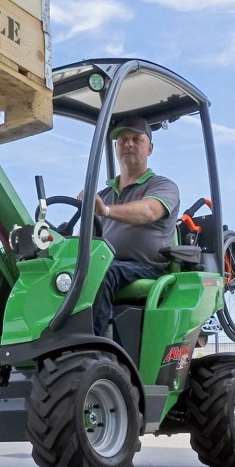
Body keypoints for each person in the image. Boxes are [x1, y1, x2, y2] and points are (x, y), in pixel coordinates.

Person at [85, 116, 179, 337]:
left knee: (102, 272)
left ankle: (91, 345)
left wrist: (106, 210)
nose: (128, 143)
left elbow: (149, 211)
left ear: (150, 148)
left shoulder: (162, 186)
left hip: (147, 267)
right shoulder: (103, 194)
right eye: (123, 139)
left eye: (137, 139)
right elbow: (85, 239)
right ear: (116, 147)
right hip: (108, 263)